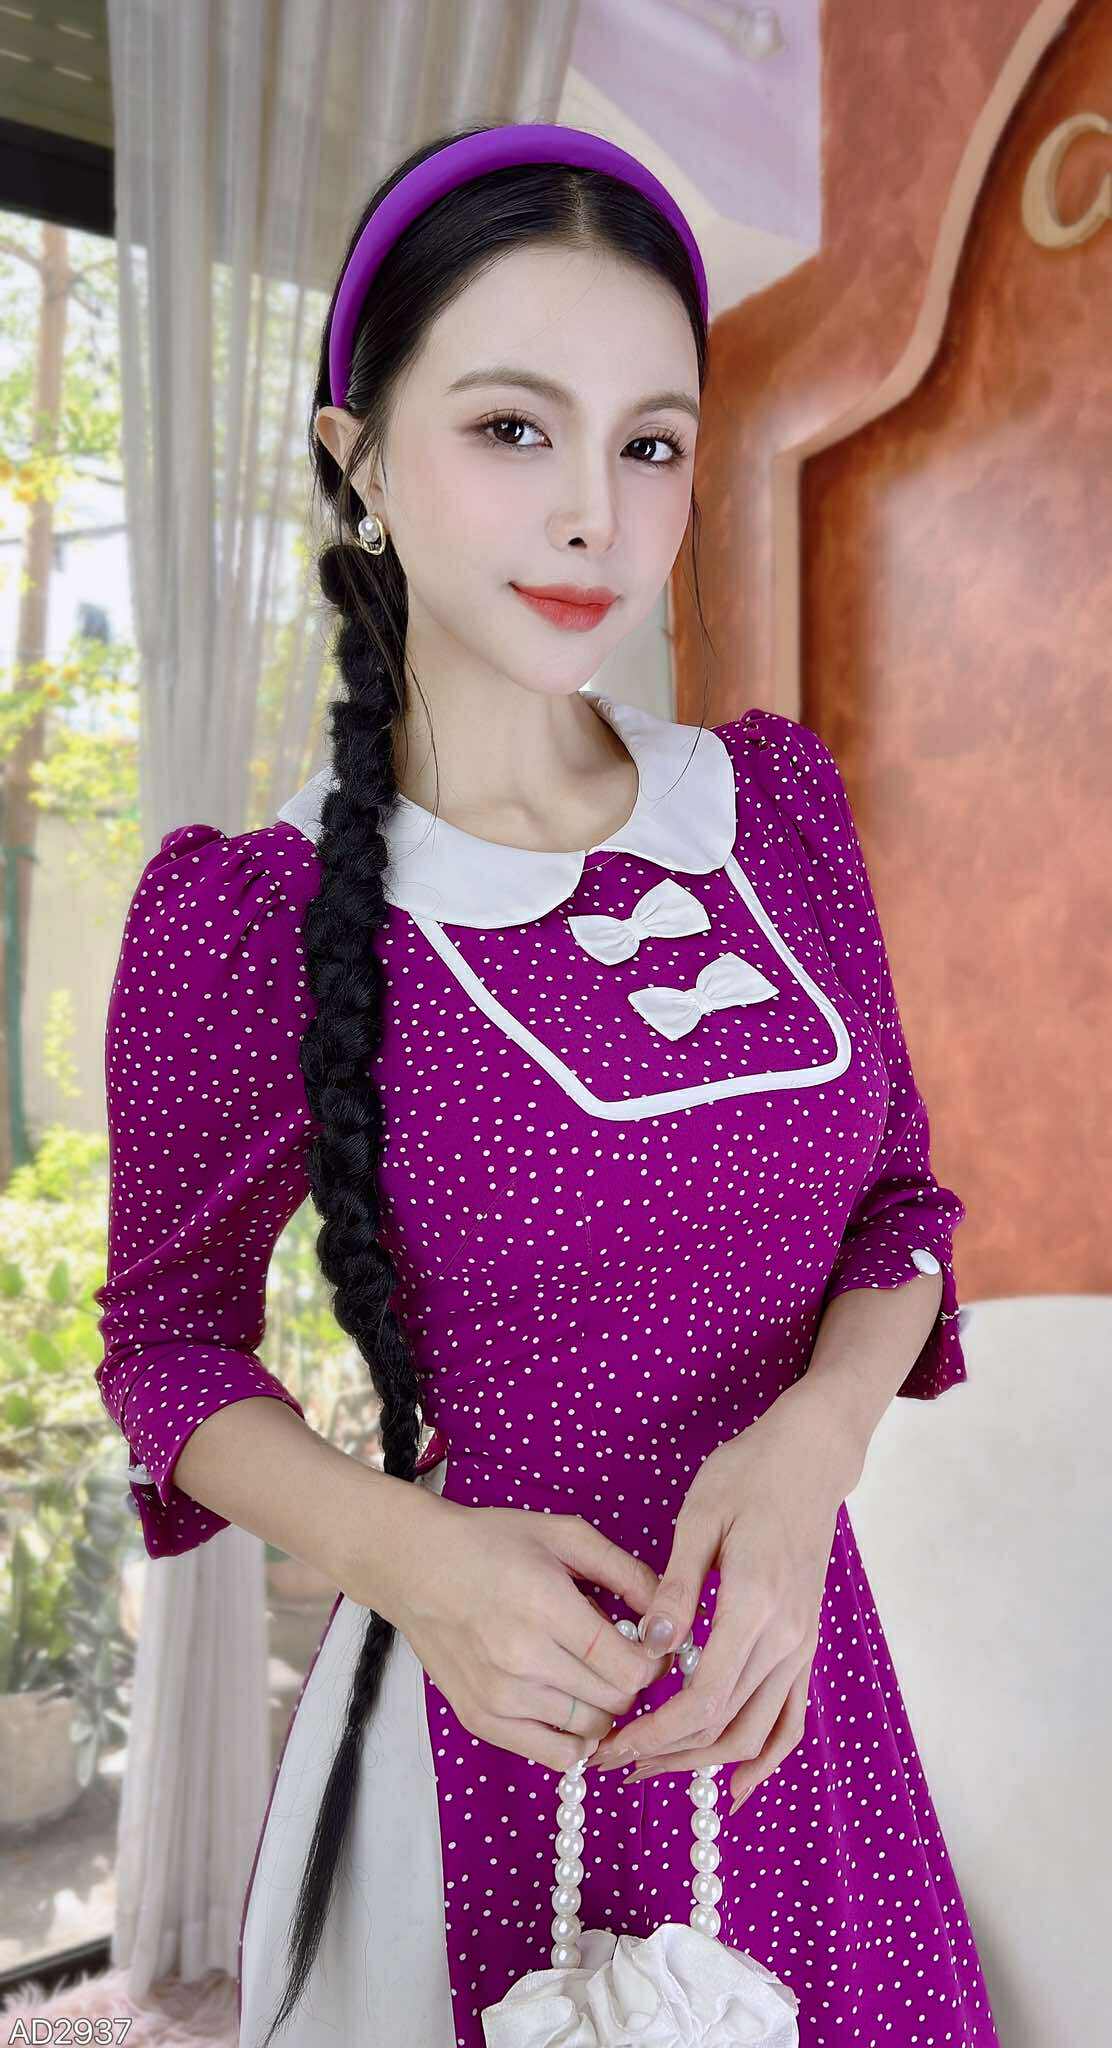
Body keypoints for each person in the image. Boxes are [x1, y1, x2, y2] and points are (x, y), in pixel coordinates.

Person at [93, 121, 1000, 2047]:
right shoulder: (252, 921)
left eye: (650, 444)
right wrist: (401, 1555)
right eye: (514, 428)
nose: (595, 512)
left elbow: (900, 1215)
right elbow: (165, 1347)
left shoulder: (775, 810)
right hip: (494, 1736)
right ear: (359, 458)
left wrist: (813, 1449)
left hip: (801, 1706)